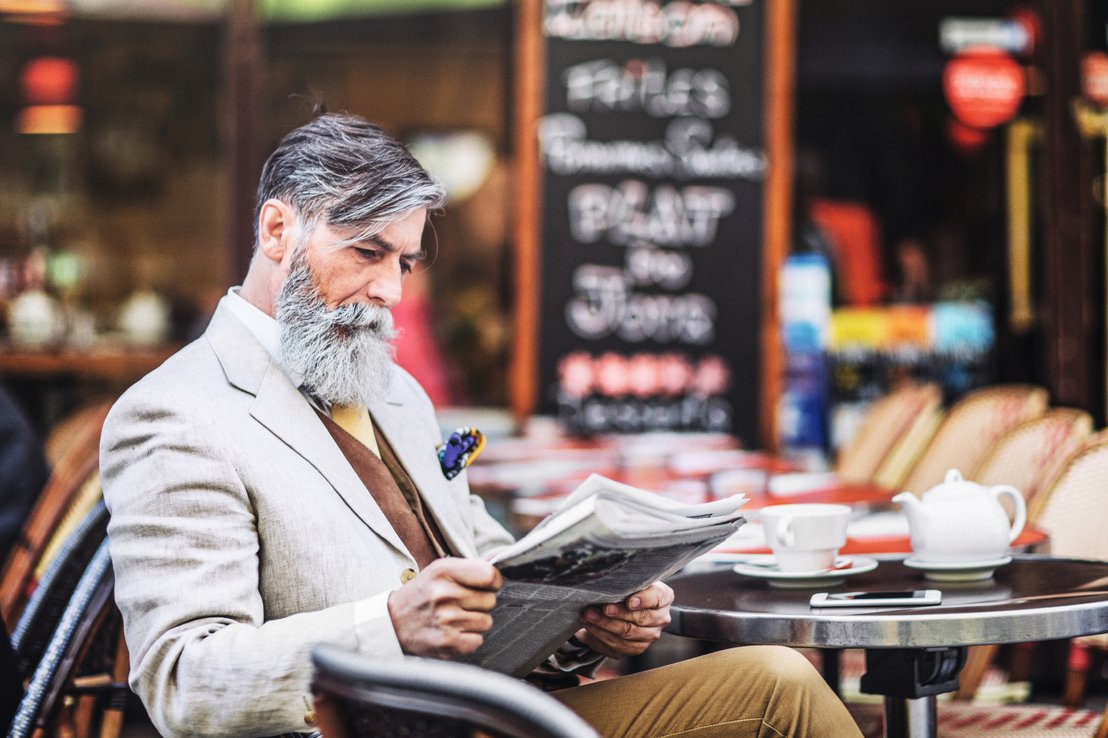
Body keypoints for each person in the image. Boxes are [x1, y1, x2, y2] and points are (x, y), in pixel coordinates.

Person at [100, 112, 862, 738]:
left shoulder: (394, 393)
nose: (390, 289)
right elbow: (181, 679)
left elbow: (493, 572)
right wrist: (389, 626)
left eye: (404, 262)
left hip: (490, 716)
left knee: (779, 680)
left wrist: (588, 621)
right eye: (367, 252)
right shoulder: (177, 411)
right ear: (277, 231)